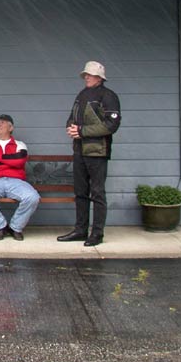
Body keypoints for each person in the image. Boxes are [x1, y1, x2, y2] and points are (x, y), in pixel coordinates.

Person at [58, 61, 121, 247]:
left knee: (98, 193)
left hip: (97, 152)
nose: (86, 76)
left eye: (90, 74)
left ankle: (97, 233)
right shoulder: (82, 94)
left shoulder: (109, 96)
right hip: (79, 151)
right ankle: (80, 230)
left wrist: (83, 131)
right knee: (80, 192)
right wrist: (71, 128)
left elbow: (112, 125)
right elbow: (72, 116)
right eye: (85, 74)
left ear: (100, 77)